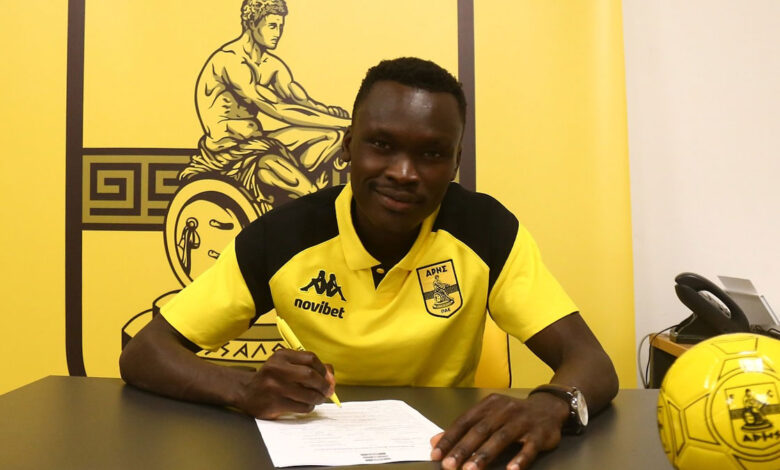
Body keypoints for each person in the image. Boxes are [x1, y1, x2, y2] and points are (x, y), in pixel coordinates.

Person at [120, 57, 618, 470]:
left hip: (444, 452)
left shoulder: (486, 229)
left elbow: (592, 363)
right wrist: (244, 387)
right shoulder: (283, 235)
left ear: (456, 162)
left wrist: (551, 405)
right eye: (382, 144)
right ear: (347, 146)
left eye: (432, 154)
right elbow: (145, 352)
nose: (404, 172)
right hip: (312, 451)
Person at [181, 0, 351, 203]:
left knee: (333, 137)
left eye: (280, 26)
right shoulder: (230, 60)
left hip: (260, 140)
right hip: (227, 152)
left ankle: (301, 182)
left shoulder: (272, 65)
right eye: (272, 26)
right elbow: (277, 109)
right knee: (271, 165)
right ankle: (311, 195)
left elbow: (304, 103)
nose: (278, 32)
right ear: (252, 24)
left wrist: (335, 118)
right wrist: (347, 123)